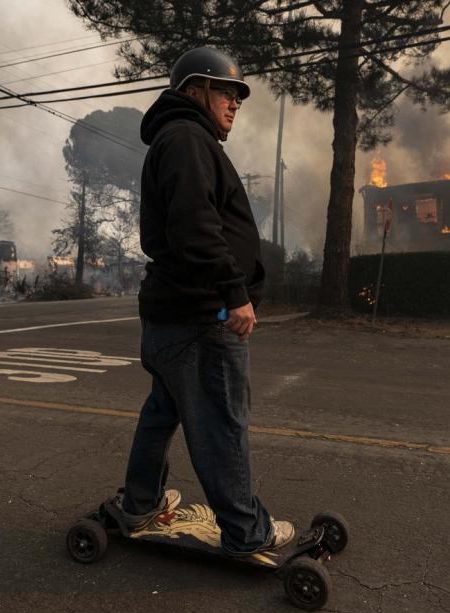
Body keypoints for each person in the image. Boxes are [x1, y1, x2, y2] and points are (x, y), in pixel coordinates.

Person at [119, 46, 294, 556]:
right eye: (226, 91)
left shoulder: (181, 139)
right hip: (201, 315)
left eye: (239, 96)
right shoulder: (188, 138)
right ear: (194, 91)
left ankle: (140, 502)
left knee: (162, 412)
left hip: (174, 317)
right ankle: (248, 533)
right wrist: (234, 293)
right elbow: (197, 228)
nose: (235, 103)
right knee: (221, 423)